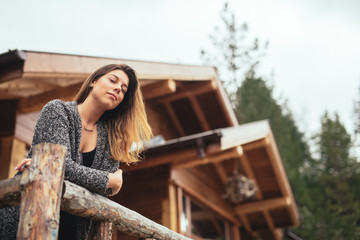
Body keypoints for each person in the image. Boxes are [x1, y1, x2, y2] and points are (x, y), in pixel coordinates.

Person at [0, 63, 153, 240]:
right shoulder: (57, 111)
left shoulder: (113, 139)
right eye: (113, 80)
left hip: (72, 231)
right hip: (27, 220)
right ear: (93, 82)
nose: (118, 88)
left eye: (123, 89)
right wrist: (110, 179)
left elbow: (95, 189)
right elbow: (57, 166)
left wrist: (58, 169)